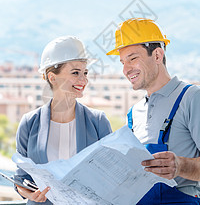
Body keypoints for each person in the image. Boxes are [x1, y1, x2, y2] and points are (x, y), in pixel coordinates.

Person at [107, 18, 200, 204]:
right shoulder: (134, 113)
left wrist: (181, 166)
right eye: (122, 62)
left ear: (157, 55)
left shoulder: (191, 98)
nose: (126, 69)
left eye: (133, 58)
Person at [14, 36, 112, 204]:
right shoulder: (29, 123)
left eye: (85, 73)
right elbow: (21, 179)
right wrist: (30, 194)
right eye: (75, 73)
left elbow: (112, 174)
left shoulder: (98, 122)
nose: (84, 80)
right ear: (52, 78)